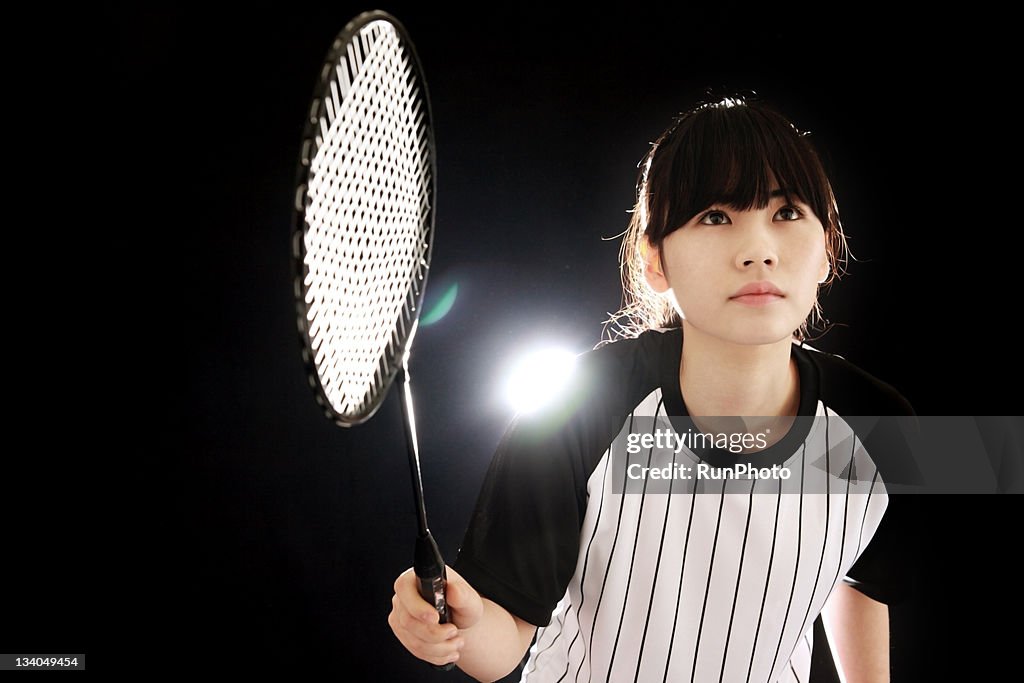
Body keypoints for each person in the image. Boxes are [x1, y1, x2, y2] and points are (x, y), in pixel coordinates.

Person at [388, 94, 917, 683]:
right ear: (654, 259)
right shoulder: (579, 407)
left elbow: (864, 575)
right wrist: (452, 626)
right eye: (716, 216)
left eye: (787, 212)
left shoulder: (882, 425)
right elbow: (503, 642)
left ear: (828, 249)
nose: (758, 251)